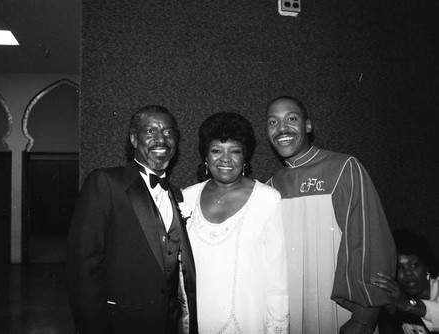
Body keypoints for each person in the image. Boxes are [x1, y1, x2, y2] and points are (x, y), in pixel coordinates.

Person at [265, 96, 396, 334]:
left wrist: (365, 318)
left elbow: (371, 244)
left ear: (308, 125)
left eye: (291, 119)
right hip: (291, 314)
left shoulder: (344, 168)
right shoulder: (270, 188)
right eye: (273, 122)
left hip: (343, 312)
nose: (282, 128)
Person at [67, 105, 198, 334]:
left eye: (168, 132)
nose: (161, 140)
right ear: (134, 139)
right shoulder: (105, 183)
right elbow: (82, 269)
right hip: (120, 324)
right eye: (150, 131)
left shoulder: (177, 195)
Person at [182, 112, 289, 333]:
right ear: (205, 155)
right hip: (197, 319)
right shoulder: (186, 198)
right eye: (216, 151)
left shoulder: (267, 199)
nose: (225, 159)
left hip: (248, 319)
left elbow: (277, 277)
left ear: (245, 157)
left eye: (235, 151)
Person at [371, 229, 439, 333]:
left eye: (414, 265)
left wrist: (409, 305)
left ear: (426, 266)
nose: (408, 272)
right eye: (400, 267)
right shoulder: (398, 307)